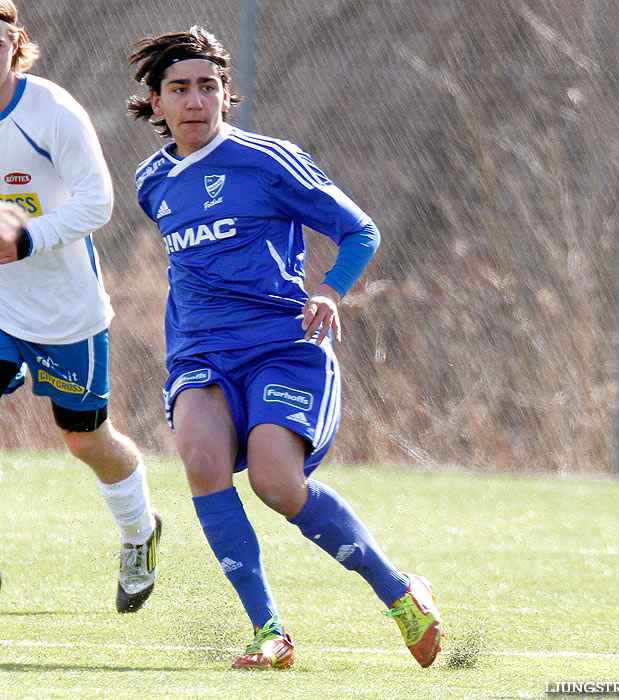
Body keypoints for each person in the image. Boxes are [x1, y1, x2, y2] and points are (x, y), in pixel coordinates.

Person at [127, 26, 443, 670]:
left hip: (282, 347)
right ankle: (268, 632)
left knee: (276, 480)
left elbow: (359, 230)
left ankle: (400, 594)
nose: (196, 101)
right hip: (199, 356)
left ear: (226, 96)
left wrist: (329, 291)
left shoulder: (265, 160)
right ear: (156, 103)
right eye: (180, 89)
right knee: (203, 463)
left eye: (208, 88)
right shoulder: (150, 181)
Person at [0, 1, 161, 613]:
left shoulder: (52, 111)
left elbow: (97, 204)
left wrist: (24, 237)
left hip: (63, 309)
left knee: (84, 439)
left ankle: (139, 531)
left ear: (16, 45)